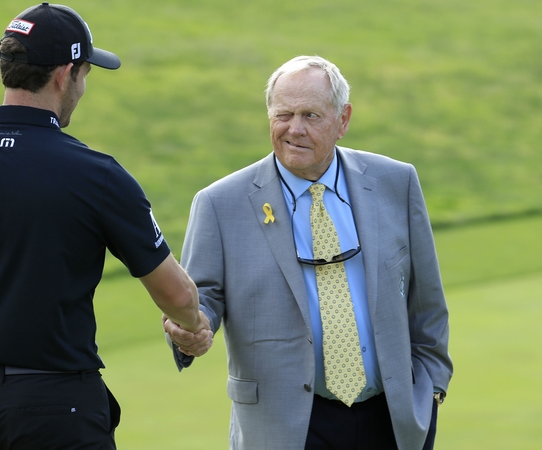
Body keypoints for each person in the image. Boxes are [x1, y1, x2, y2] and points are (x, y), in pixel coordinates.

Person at [0, 3, 211, 450]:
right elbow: (176, 293)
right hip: (58, 408)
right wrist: (193, 325)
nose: (83, 87)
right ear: (64, 74)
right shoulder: (97, 175)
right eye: (86, 74)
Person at [164, 55, 453, 450]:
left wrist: (431, 391)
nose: (293, 129)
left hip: (392, 422)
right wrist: (191, 329)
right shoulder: (220, 203)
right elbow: (201, 301)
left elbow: (428, 303)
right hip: (285, 429)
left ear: (343, 120)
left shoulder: (395, 182)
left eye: (311, 116)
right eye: (282, 114)